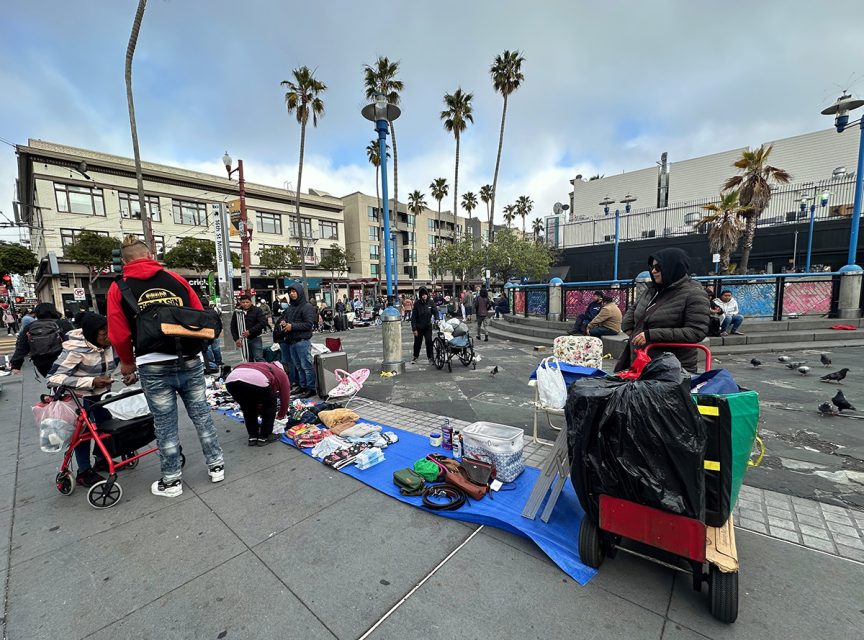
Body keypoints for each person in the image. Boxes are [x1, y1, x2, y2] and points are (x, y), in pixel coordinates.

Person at [106, 235, 225, 498]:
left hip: (152, 363)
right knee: (201, 414)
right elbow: (200, 315)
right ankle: (216, 465)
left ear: (124, 261)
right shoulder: (176, 280)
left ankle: (172, 481)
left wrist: (127, 363)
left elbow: (118, 333)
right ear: (150, 255)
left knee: (165, 423)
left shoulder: (119, 287)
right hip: (189, 359)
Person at [46, 313, 116, 487]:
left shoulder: (111, 344)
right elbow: (53, 378)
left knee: (105, 426)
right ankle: (84, 471)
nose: (109, 337)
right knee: (84, 434)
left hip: (101, 394)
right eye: (104, 334)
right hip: (79, 397)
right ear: (93, 334)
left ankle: (101, 460)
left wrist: (130, 373)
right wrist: (91, 381)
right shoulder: (75, 350)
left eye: (111, 332)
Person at [618, 248, 709, 374]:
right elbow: (635, 308)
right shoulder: (652, 290)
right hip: (642, 361)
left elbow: (696, 332)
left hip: (672, 368)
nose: (653, 271)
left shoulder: (694, 294)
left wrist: (651, 335)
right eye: (652, 267)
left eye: (658, 267)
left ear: (673, 267)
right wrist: (628, 326)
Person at [224, 361, 291, 446]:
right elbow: (285, 397)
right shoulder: (281, 373)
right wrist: (281, 414)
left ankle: (253, 436)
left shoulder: (262, 365)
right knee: (270, 404)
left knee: (247, 407)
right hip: (256, 383)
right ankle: (264, 437)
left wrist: (256, 408)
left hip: (231, 382)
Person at [10, 302, 73, 377]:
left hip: (41, 363)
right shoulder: (63, 323)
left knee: (51, 381)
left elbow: (21, 346)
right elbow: (73, 341)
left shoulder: (30, 326)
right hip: (61, 359)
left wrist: (16, 365)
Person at [278, 285, 318, 398]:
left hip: (302, 341)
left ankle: (311, 388)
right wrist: (284, 323)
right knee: (298, 366)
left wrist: (292, 326)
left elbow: (309, 324)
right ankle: (302, 386)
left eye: (294, 291)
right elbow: (285, 318)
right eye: (290, 292)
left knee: (306, 366)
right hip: (292, 341)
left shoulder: (307, 306)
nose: (292, 294)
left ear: (299, 292)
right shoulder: (291, 307)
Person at [230, 294, 267, 362]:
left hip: (255, 338)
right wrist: (236, 339)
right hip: (243, 340)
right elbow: (233, 326)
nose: (245, 304)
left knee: (258, 357)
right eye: (243, 302)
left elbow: (262, 323)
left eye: (247, 302)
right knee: (247, 359)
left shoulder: (257, 310)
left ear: (250, 302)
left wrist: (250, 331)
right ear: (240, 303)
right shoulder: (237, 312)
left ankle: (263, 371)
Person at [411, 287, 437, 363]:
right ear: (420, 296)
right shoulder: (417, 303)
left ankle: (430, 357)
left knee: (429, 342)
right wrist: (414, 329)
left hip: (428, 326)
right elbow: (413, 317)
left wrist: (437, 319)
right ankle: (415, 357)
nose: (424, 296)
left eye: (425, 294)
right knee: (417, 343)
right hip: (419, 327)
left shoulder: (431, 302)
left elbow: (435, 312)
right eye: (422, 295)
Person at [202, 300, 224, 373]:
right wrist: (218, 331)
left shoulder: (201, 312)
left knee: (208, 348)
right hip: (215, 333)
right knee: (216, 348)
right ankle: (219, 362)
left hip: (206, 334)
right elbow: (219, 322)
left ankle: (212, 363)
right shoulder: (214, 312)